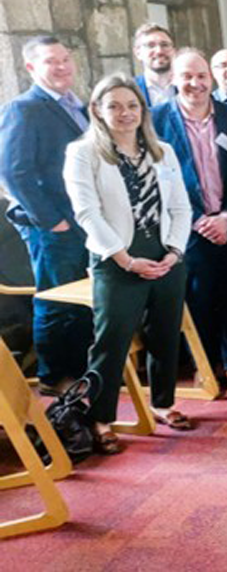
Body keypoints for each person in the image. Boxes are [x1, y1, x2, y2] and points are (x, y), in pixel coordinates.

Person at [63, 75, 195, 453]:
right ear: (98, 111)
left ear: (143, 110)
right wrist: (124, 258)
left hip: (166, 257)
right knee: (111, 342)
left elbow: (181, 207)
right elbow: (86, 213)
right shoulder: (83, 152)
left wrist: (175, 252)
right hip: (116, 260)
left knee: (165, 336)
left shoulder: (162, 152)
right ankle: (101, 418)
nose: (125, 113)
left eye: (132, 106)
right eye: (115, 106)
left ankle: (163, 403)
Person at [152, 49, 227, 396]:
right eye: (187, 76)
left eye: (201, 76)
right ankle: (204, 364)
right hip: (188, 229)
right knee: (198, 296)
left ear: (210, 79)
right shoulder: (155, 122)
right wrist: (200, 220)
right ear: (174, 79)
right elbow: (157, 181)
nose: (195, 83)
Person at [0, 36, 93, 395]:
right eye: (51, 62)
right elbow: (12, 172)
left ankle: (81, 370)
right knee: (56, 300)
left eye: (66, 59)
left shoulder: (76, 105)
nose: (62, 67)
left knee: (82, 300)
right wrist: (53, 220)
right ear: (30, 68)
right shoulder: (23, 108)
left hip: (83, 221)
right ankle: (54, 377)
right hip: (52, 226)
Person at [132, 23, 177, 107]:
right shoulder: (131, 90)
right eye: (151, 45)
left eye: (164, 45)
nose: (159, 51)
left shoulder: (186, 86)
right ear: (138, 53)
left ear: (173, 51)